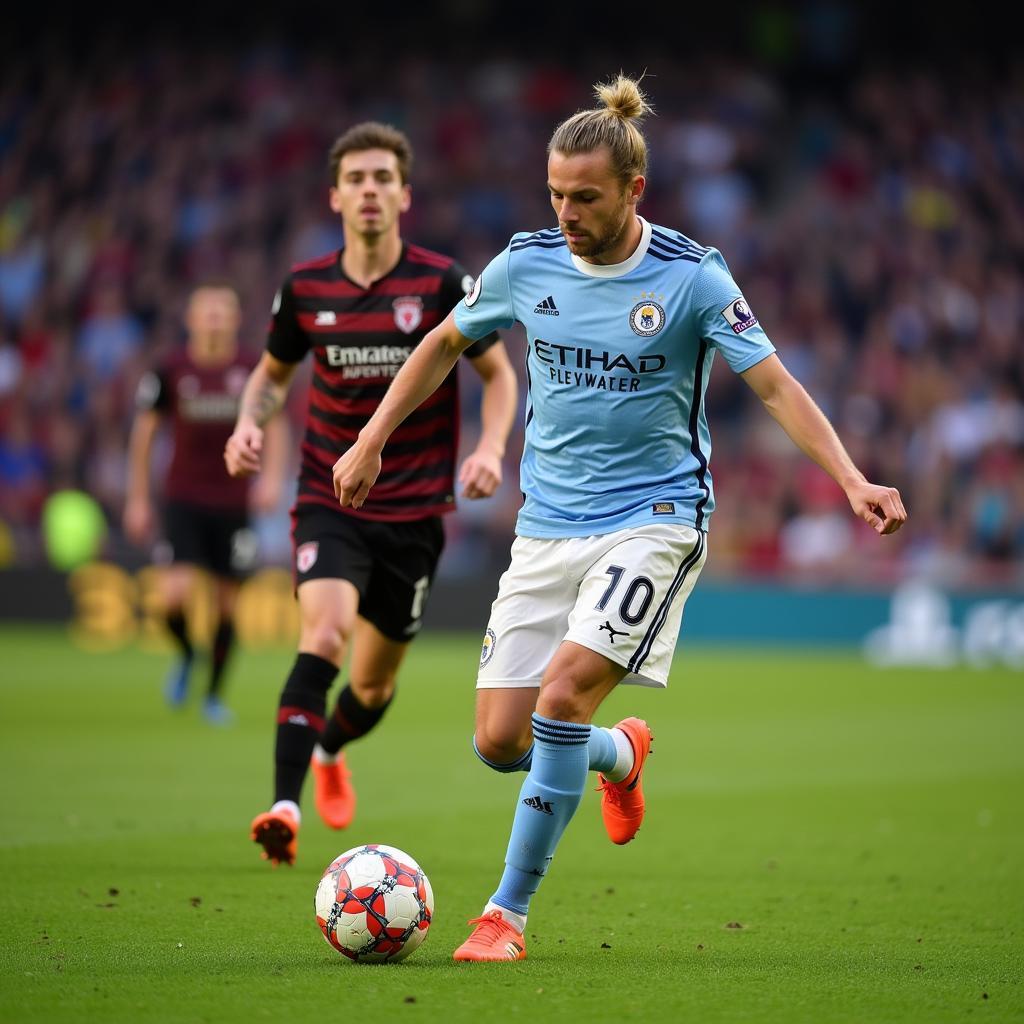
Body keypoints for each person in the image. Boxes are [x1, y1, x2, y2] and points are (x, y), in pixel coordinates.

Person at [332, 75, 908, 962]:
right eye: (555, 193)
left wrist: (850, 478)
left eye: (585, 197)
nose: (565, 211)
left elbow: (775, 385)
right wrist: (371, 438)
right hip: (547, 525)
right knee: (498, 741)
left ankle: (504, 916)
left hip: (656, 517)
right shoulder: (526, 264)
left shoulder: (692, 277)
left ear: (634, 189)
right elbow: (446, 342)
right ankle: (617, 757)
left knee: (559, 694)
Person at [223, 122, 518, 867]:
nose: (369, 191)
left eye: (383, 178)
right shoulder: (304, 289)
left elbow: (499, 375)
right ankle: (283, 805)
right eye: (356, 178)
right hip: (330, 495)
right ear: (335, 196)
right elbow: (271, 377)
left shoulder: (445, 284)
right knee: (321, 634)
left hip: (415, 512)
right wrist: (246, 425)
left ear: (404, 194)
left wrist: (487, 446)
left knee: (374, 686)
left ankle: (327, 750)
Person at [124, 282, 286, 724]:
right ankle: (186, 654)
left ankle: (213, 696)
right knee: (171, 597)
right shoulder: (170, 368)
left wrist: (271, 479)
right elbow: (145, 432)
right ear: (190, 319)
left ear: (236, 319)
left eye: (223, 311)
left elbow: (276, 423)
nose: (214, 318)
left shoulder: (252, 367)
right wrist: (138, 498)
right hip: (183, 498)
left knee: (226, 604)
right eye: (206, 311)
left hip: (234, 503)